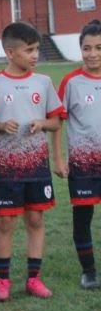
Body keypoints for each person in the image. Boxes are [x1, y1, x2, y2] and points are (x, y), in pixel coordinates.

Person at [0, 22, 64, 301]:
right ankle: (2, 281)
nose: (34, 55)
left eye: (36, 50)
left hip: (37, 167)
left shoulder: (43, 82)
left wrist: (42, 123)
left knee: (35, 218)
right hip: (7, 167)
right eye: (29, 50)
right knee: (6, 223)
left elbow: (56, 122)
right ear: (10, 52)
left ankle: (34, 279)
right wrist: (0, 126)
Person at [56, 19, 101, 290]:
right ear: (80, 49)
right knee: (82, 217)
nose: (93, 53)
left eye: (98, 47)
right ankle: (89, 271)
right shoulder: (71, 82)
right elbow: (58, 121)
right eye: (87, 48)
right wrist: (59, 158)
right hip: (83, 164)